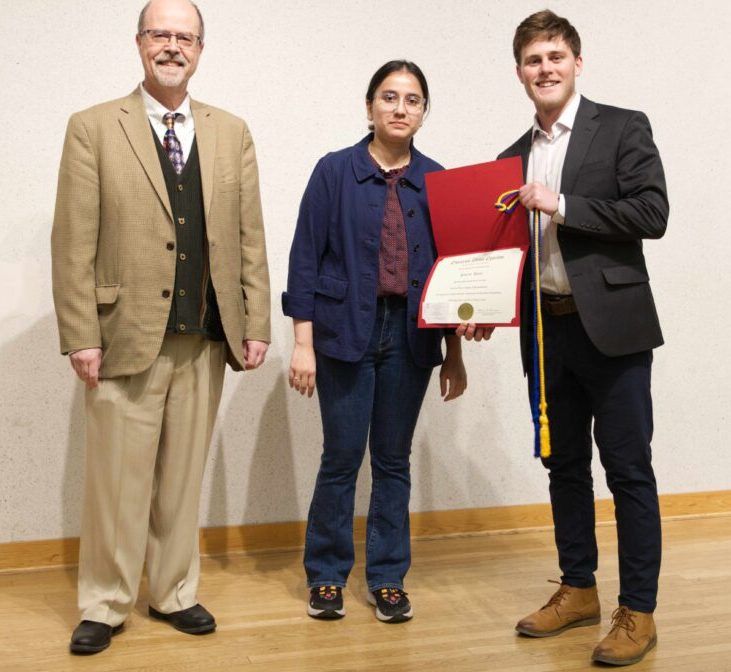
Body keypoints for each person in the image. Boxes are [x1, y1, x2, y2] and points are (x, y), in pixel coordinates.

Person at [51, 0, 270, 654]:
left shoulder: (230, 131)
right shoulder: (93, 127)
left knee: (181, 477)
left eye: (185, 36)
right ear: (140, 43)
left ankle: (173, 591)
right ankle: (105, 601)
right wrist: (81, 331)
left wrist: (254, 317)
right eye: (160, 34)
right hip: (123, 333)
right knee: (118, 481)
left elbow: (248, 236)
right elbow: (72, 240)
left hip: (205, 332)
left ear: (199, 49)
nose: (172, 45)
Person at [460, 9, 668, 666]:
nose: (544, 69)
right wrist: (479, 305)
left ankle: (637, 610)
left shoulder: (621, 128)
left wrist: (562, 205)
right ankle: (577, 588)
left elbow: (651, 212)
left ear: (576, 62)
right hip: (546, 336)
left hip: (614, 330)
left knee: (628, 471)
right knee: (563, 468)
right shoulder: (505, 161)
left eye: (554, 56)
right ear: (519, 73)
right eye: (532, 60)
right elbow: (497, 257)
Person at [283, 60, 466, 623]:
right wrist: (303, 343)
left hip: (411, 339)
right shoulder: (333, 172)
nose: (400, 108)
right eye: (389, 97)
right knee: (341, 457)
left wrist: (454, 354)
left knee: (392, 460)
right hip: (344, 336)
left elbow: (456, 274)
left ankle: (387, 577)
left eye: (412, 100)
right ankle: (327, 574)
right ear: (369, 107)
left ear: (424, 112)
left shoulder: (439, 181)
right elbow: (305, 260)